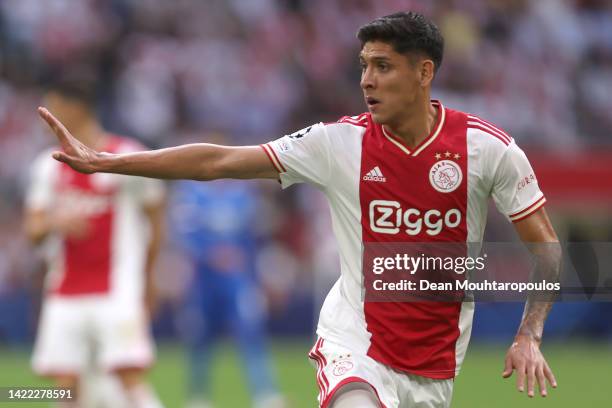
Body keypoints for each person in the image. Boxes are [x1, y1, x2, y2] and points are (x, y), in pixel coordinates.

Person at [36, 12, 561, 408]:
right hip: (354, 340)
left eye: (383, 67)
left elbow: (547, 249)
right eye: (363, 67)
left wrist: (529, 333)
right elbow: (219, 161)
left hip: (436, 364)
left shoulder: (487, 148)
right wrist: (109, 162)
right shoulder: (335, 143)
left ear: (424, 72)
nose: (367, 80)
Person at [25, 73, 166, 408]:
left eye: (54, 107)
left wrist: (148, 277)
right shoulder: (47, 167)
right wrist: (56, 222)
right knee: (65, 387)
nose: (47, 117)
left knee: (129, 376)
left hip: (116, 288)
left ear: (76, 109)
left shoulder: (126, 156)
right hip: (64, 290)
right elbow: (33, 231)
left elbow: (156, 216)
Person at [169, 176, 284, 408]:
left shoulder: (243, 194)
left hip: (237, 279)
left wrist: (256, 276)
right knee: (200, 337)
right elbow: (184, 235)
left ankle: (265, 394)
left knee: (251, 332)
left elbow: (256, 237)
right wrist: (209, 254)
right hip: (202, 282)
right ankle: (198, 397)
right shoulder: (190, 192)